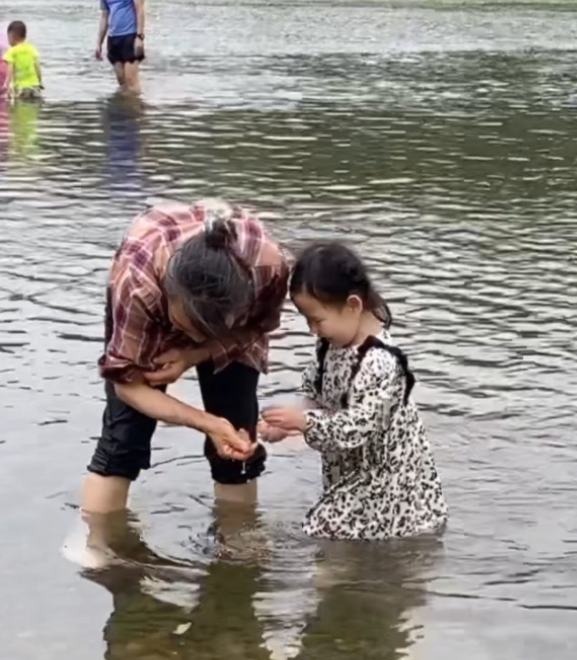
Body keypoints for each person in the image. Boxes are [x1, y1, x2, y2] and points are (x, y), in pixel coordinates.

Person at [81, 199, 289, 515]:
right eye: (185, 328)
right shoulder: (138, 283)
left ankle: (239, 545)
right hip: (147, 278)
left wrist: (197, 354)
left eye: (206, 332)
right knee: (123, 439)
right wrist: (207, 423)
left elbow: (260, 327)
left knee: (237, 435)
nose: (192, 339)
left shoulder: (268, 268)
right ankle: (98, 546)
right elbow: (126, 384)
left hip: (232, 329)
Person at [260, 242, 447, 541]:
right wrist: (287, 424)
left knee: (321, 531)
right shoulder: (329, 345)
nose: (312, 330)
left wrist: (304, 423)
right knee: (335, 544)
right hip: (351, 474)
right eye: (307, 320)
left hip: (388, 482)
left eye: (317, 320)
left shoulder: (382, 362)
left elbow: (354, 429)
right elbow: (315, 394)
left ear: (353, 306)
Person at [94, 0, 146, 92]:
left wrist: (140, 37)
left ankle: (137, 113)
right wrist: (99, 43)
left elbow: (140, 9)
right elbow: (105, 16)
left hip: (130, 36)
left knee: (131, 81)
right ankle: (124, 114)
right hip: (114, 38)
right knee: (122, 82)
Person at [2, 20, 42, 101]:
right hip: (34, 85)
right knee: (33, 109)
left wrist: (6, 84)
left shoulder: (12, 51)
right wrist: (40, 81)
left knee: (19, 108)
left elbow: (10, 69)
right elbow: (37, 66)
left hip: (20, 87)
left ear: (10, 36)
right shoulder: (31, 48)